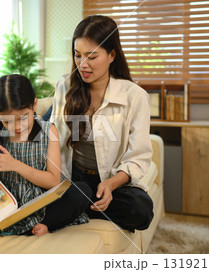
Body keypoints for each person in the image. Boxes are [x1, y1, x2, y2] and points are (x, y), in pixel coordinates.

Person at [49, 15, 154, 232]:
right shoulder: (65, 87)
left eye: (92, 56)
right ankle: (81, 205)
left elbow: (138, 157)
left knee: (140, 210)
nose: (82, 64)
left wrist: (109, 184)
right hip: (75, 179)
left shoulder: (135, 96)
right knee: (75, 193)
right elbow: (53, 137)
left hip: (111, 180)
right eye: (77, 55)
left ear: (112, 55)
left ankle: (78, 209)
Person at [0, 74, 90, 236]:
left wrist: (16, 165)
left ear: (34, 105)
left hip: (41, 203)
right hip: (9, 203)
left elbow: (53, 180)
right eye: (7, 121)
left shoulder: (48, 131)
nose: (17, 127)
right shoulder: (0, 132)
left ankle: (42, 223)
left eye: (23, 118)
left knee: (81, 191)